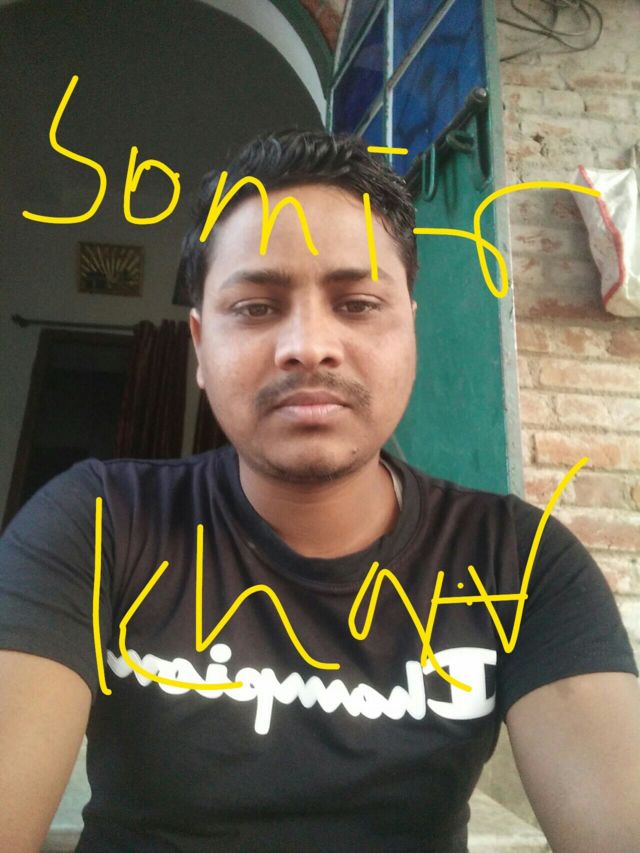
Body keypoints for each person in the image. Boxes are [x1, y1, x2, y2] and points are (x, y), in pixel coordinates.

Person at [1, 129, 639, 853]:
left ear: (410, 333)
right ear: (200, 346)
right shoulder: (98, 524)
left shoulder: (520, 561)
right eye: (256, 307)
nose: (309, 345)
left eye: (358, 303)